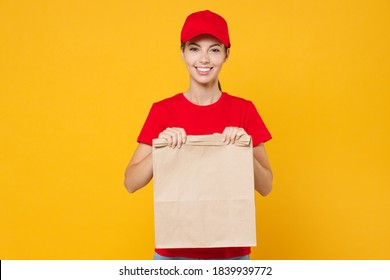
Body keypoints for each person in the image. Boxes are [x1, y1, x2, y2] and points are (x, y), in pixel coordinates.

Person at [124, 10, 273, 260]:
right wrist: (162, 148)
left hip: (231, 256)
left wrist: (243, 149)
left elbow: (266, 186)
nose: (204, 59)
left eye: (214, 50)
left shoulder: (243, 110)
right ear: (182, 52)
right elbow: (131, 182)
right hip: (172, 256)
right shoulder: (163, 111)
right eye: (194, 49)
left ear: (227, 54)